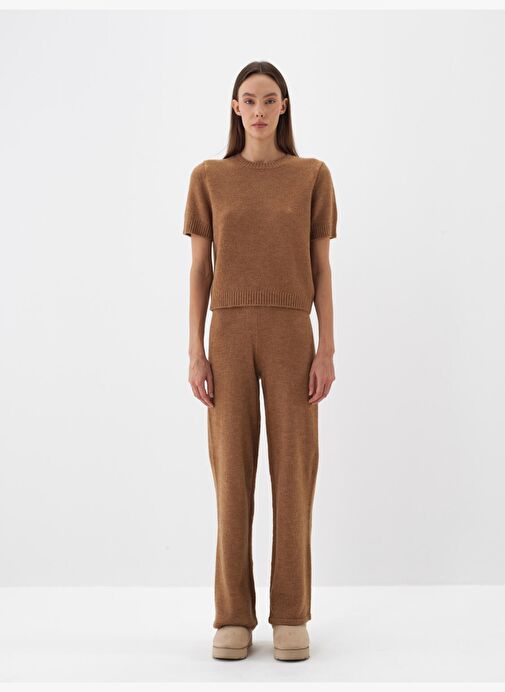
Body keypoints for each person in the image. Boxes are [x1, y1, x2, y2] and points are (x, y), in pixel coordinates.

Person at [182, 61, 337, 661]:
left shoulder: (311, 176)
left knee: (294, 473)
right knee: (231, 476)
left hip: (292, 331)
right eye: (249, 100)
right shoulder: (209, 178)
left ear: (284, 106)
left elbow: (322, 267)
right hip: (227, 331)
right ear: (235, 108)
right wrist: (195, 350)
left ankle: (292, 614)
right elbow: (200, 271)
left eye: (270, 100)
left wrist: (326, 346)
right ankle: (233, 616)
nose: (259, 111)